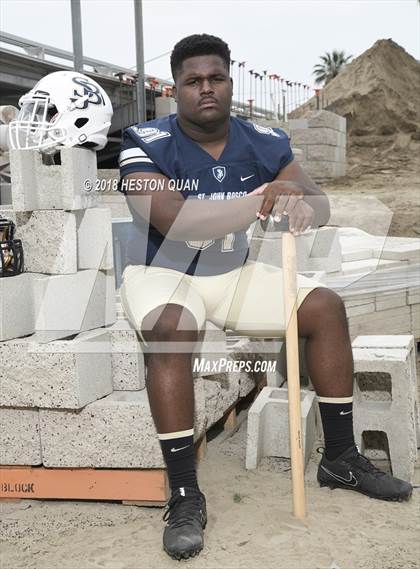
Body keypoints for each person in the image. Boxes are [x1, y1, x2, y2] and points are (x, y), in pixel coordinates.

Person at [118, 34, 412, 561]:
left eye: (216, 78)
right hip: (165, 273)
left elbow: (319, 203)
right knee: (171, 328)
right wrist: (260, 199)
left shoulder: (263, 139)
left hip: (232, 272)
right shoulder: (143, 139)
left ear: (229, 82)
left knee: (324, 307)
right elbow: (175, 220)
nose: (206, 89)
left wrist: (300, 201)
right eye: (193, 81)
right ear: (175, 89)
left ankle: (340, 457)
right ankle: (185, 492)